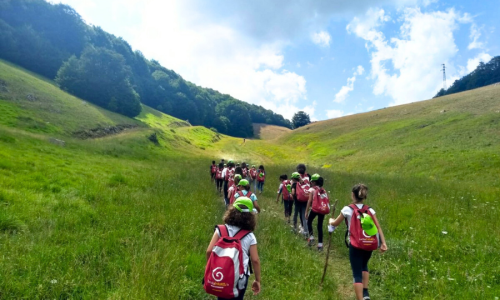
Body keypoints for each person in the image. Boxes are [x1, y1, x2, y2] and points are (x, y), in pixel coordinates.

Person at [329, 184, 388, 300]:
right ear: (364, 196)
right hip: (369, 243)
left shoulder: (347, 209)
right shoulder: (370, 209)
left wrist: (331, 221)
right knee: (364, 265)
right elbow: (378, 227)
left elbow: (335, 223)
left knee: (356, 273)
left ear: (352, 195)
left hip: (355, 245)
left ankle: (360, 298)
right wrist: (383, 243)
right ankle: (365, 293)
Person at [205, 198, 261, 299]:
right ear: (250, 216)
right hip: (240, 277)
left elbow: (209, 251)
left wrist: (211, 269)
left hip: (221, 272)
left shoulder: (220, 230)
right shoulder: (250, 236)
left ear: (232, 211)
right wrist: (257, 280)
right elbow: (255, 260)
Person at [305, 174, 328, 251]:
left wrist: (306, 211)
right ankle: (320, 245)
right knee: (319, 226)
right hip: (322, 209)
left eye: (311, 181)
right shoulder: (323, 190)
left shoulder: (312, 189)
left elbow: (309, 201)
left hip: (314, 209)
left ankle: (311, 238)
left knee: (309, 222)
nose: (311, 183)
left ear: (314, 182)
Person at [291, 172, 308, 237]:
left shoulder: (294, 184)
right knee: (304, 216)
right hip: (304, 201)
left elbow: (293, 192)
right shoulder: (303, 183)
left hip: (297, 202)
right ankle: (306, 231)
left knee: (295, 214)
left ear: (293, 178)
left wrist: (294, 197)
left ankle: (295, 228)